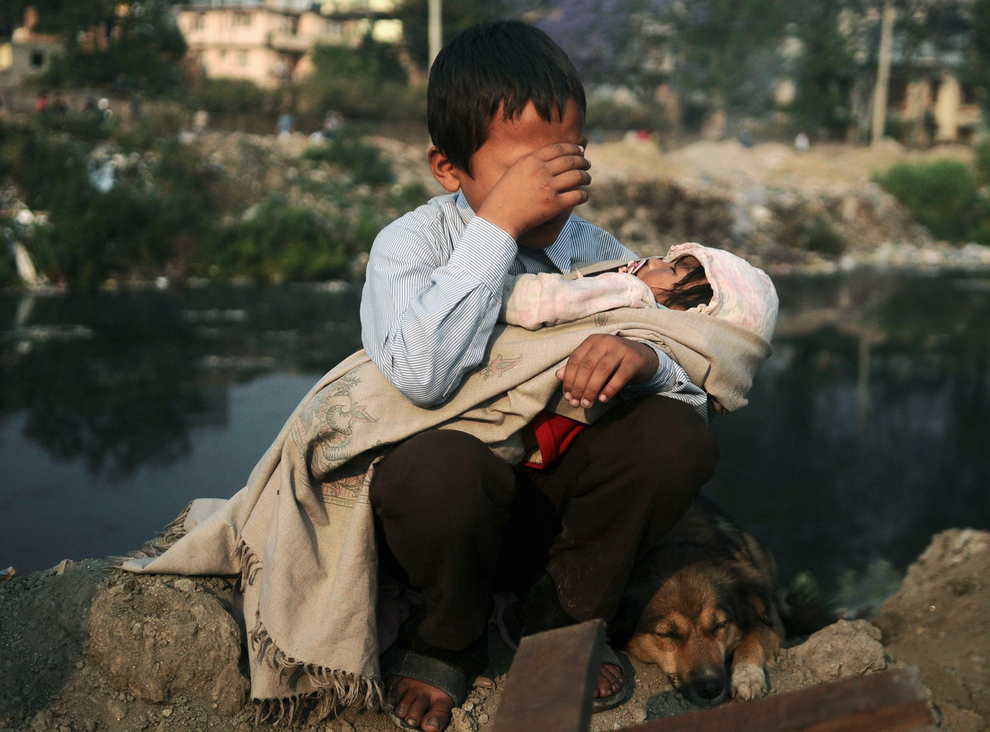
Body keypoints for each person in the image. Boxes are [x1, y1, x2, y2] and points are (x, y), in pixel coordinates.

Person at [361, 21, 720, 732]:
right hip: (451, 519)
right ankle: (447, 635)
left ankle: (559, 618)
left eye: (569, 158)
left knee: (676, 434)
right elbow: (420, 376)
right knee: (436, 468)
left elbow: (695, 375)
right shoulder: (412, 246)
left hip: (558, 515)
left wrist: (643, 357)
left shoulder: (597, 250)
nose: (551, 187)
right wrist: (496, 229)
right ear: (448, 168)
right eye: (523, 171)